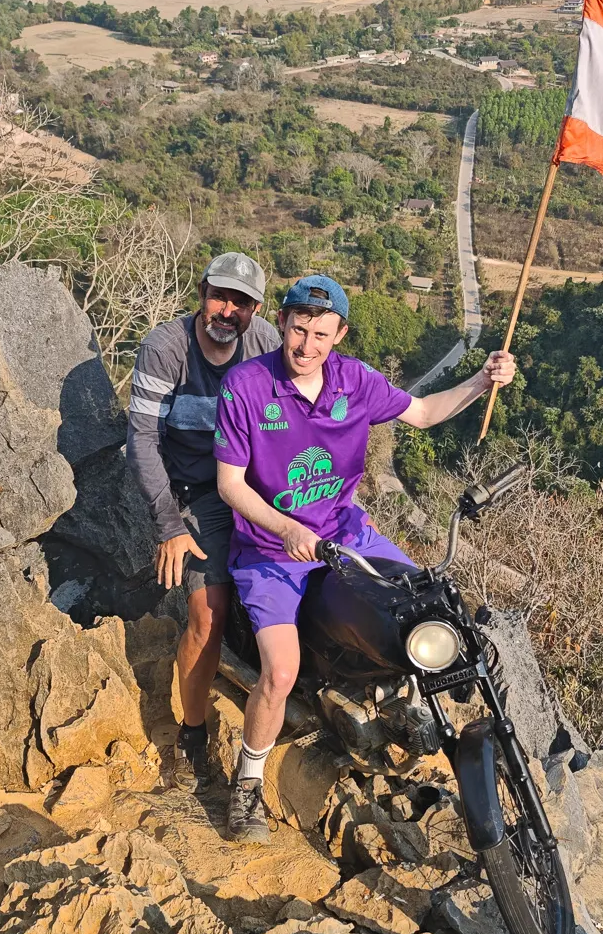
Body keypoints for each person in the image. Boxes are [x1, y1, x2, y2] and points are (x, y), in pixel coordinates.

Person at [214, 274, 516, 842]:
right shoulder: (247, 385)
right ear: (281, 322)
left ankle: (424, 716)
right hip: (269, 550)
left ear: (340, 335)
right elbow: (230, 483)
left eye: (320, 334)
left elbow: (423, 413)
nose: (306, 346)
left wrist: (482, 379)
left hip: (348, 534)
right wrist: (283, 526)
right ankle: (247, 783)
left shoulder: (355, 381)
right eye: (298, 329)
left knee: (427, 606)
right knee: (280, 671)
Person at [127, 252, 277, 790]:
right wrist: (169, 524)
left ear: (255, 310)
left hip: (256, 484)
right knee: (207, 615)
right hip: (195, 489)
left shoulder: (266, 345)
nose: (227, 310)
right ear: (202, 293)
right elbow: (142, 440)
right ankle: (192, 733)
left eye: (240, 302)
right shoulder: (167, 347)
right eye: (219, 296)